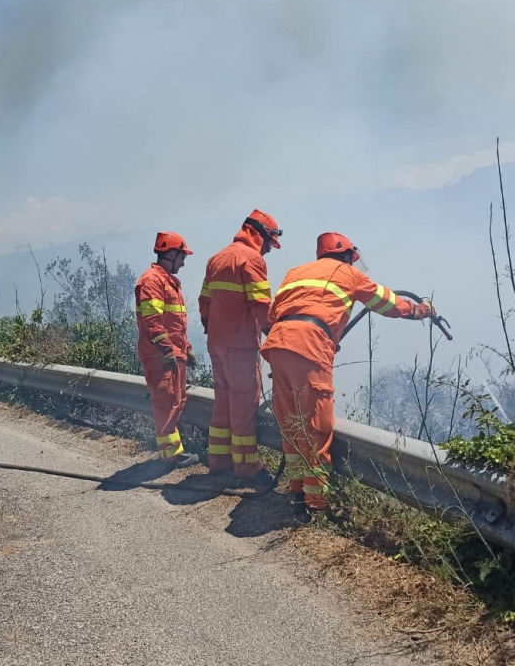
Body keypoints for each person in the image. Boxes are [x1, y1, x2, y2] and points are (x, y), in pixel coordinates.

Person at [261, 231, 434, 520]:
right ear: (345, 256)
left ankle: (296, 494)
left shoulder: (296, 272)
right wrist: (418, 310)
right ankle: (315, 506)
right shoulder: (347, 273)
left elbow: (274, 316)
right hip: (308, 346)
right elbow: (385, 301)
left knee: (292, 422)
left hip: (278, 344)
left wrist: (319, 335)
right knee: (316, 425)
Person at [199, 209, 282, 481]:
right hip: (241, 346)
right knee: (245, 402)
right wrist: (277, 337)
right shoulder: (252, 260)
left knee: (223, 399)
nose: (270, 249)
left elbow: (204, 302)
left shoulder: (217, 258)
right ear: (259, 235)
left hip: (217, 343)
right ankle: (246, 466)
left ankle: (218, 461)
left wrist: (211, 329)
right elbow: (261, 306)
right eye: (270, 242)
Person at [135, 232, 199, 468]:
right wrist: (166, 351)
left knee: (176, 400)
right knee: (167, 401)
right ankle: (170, 455)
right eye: (181, 257)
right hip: (161, 356)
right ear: (171, 254)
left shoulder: (168, 282)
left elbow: (175, 324)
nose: (183, 263)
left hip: (173, 354)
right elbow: (154, 322)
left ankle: (172, 451)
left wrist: (187, 348)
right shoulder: (151, 281)